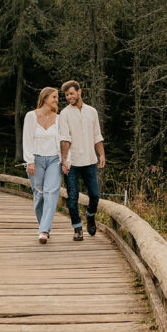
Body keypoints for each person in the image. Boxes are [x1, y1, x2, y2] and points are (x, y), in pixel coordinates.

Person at [58, 80, 105, 241]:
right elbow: (65, 139)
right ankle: (77, 228)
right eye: (66, 95)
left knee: (95, 195)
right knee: (72, 197)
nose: (69, 97)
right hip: (72, 162)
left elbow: (97, 135)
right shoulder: (64, 114)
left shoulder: (92, 112)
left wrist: (102, 155)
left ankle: (90, 215)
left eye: (71, 93)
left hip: (90, 161)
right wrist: (64, 160)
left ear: (79, 92)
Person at [22, 87, 63, 244]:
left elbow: (63, 141)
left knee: (51, 193)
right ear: (45, 98)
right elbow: (27, 140)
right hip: (36, 160)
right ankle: (44, 226)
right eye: (54, 97)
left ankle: (44, 230)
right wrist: (30, 161)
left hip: (54, 160)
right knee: (38, 195)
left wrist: (66, 160)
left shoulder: (59, 119)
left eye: (57, 97)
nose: (56, 100)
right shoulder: (31, 116)